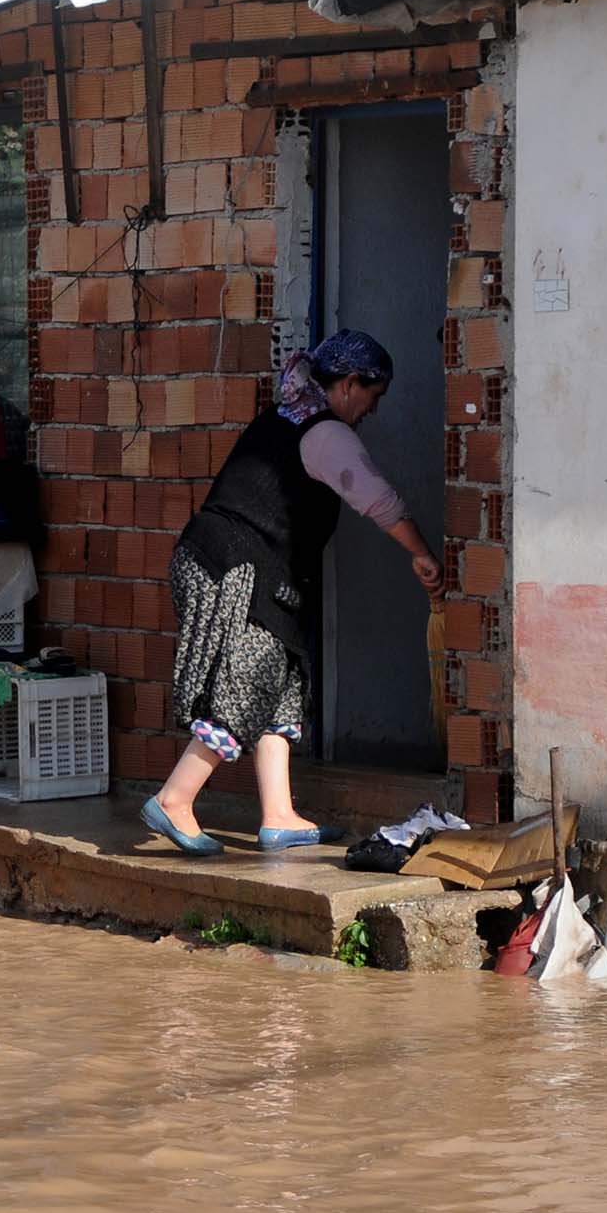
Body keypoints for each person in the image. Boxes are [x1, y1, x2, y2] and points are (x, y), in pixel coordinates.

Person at [143, 330, 441, 856]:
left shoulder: (286, 417)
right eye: (373, 395)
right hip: (236, 569)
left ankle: (279, 816)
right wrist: (421, 553)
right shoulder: (323, 432)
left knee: (283, 684)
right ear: (349, 384)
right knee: (246, 683)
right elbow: (377, 498)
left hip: (239, 566)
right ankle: (175, 798)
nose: (373, 409)